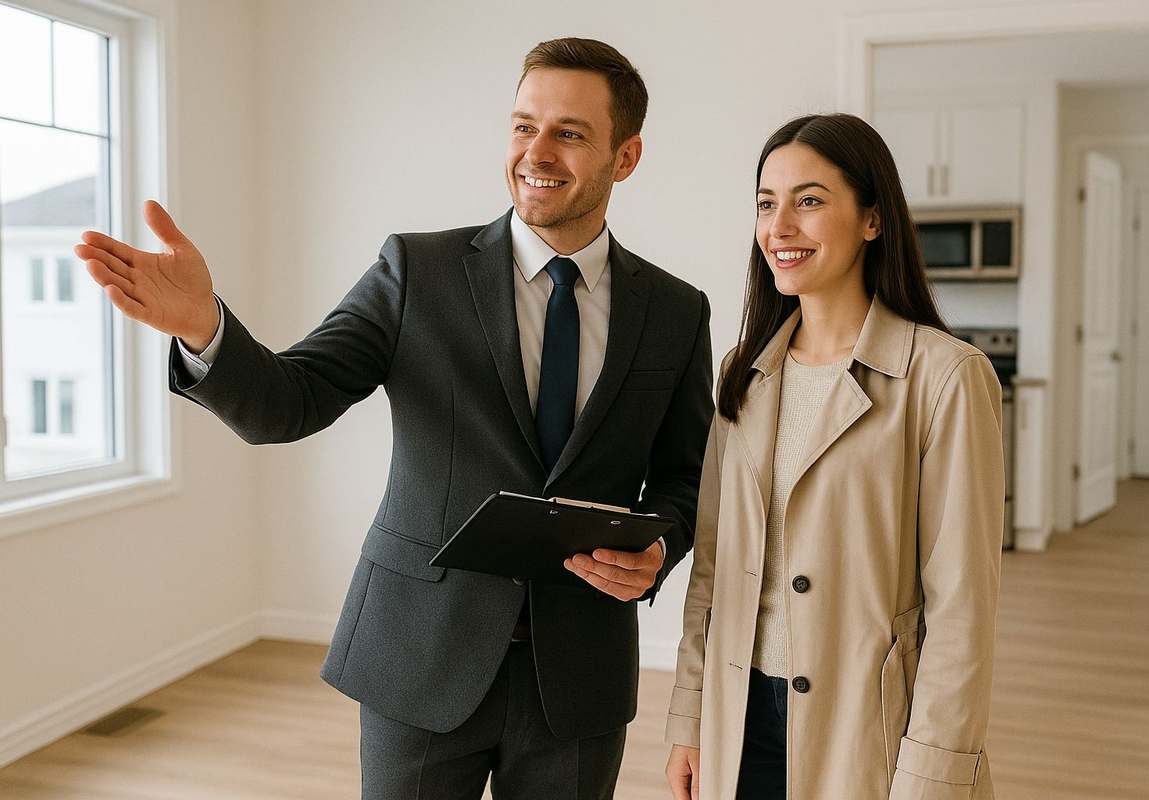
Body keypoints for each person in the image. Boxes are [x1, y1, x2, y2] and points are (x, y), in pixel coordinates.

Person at [76, 37, 713, 800]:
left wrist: (659, 547)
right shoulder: (418, 271)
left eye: (569, 133)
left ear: (626, 156)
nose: (536, 152)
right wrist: (204, 327)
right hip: (418, 653)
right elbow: (289, 401)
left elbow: (687, 477)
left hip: (579, 673)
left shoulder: (675, 311)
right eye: (523, 126)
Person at [664, 113, 1004, 800]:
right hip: (740, 719)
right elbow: (714, 568)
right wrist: (690, 719)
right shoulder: (743, 374)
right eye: (767, 204)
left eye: (810, 200)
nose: (780, 227)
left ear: (873, 219)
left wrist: (931, 775)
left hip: (871, 733)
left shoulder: (945, 377)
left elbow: (961, 611)